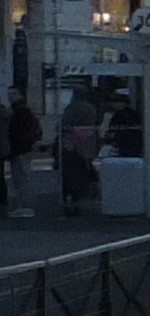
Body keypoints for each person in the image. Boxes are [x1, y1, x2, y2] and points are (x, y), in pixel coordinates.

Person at [55, 88, 101, 219]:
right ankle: (82, 194)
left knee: (69, 175)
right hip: (88, 142)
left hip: (72, 145)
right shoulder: (90, 108)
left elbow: (64, 123)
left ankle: (69, 201)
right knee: (83, 169)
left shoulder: (72, 108)